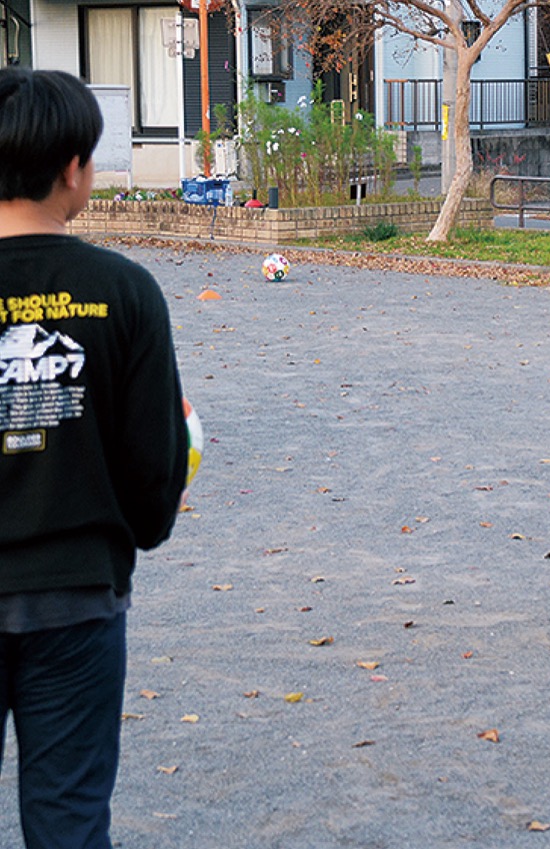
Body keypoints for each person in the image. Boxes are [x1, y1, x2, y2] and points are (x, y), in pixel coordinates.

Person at [0, 68, 188, 848]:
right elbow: (155, 471)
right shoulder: (125, 292)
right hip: (75, 595)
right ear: (75, 168)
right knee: (69, 817)